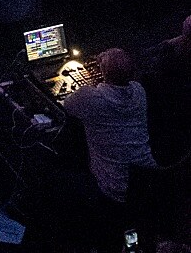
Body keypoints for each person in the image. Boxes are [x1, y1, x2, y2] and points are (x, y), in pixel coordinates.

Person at [65, 47, 155, 201]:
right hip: (151, 179)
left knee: (63, 176)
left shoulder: (90, 97)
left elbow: (67, 105)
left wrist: (94, 85)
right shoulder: (139, 91)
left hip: (113, 187)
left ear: (103, 72)